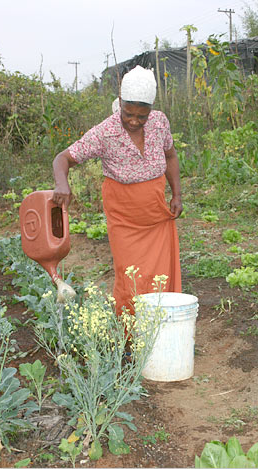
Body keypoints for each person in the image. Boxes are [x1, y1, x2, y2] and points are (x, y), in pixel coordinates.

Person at [52, 65, 182, 314]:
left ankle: (161, 330)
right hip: (125, 220)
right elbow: (62, 158)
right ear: (120, 102)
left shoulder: (159, 122)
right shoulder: (105, 132)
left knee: (161, 276)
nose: (134, 121)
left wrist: (176, 195)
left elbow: (171, 156)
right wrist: (62, 184)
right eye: (128, 113)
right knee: (129, 279)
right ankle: (130, 342)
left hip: (157, 216)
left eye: (141, 116)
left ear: (150, 110)